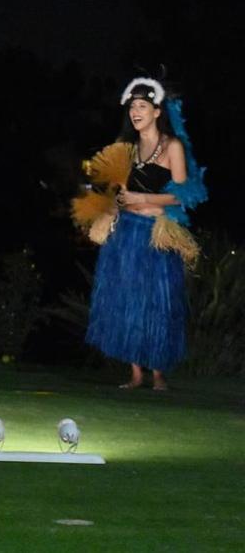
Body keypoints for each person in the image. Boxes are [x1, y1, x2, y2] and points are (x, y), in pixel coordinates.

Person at [73, 77, 206, 391]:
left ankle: (158, 374)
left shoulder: (172, 146)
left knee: (158, 302)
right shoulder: (128, 150)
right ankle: (135, 374)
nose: (136, 111)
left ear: (157, 111)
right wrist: (119, 202)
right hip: (126, 233)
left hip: (156, 234)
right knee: (127, 300)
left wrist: (144, 199)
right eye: (132, 106)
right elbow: (121, 190)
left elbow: (182, 194)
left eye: (142, 106)